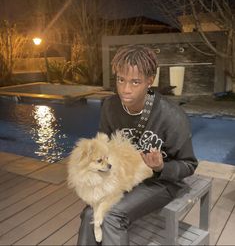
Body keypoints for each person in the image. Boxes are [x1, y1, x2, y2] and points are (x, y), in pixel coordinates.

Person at [77, 44, 198, 245]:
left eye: (135, 82)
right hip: (123, 178)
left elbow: (189, 164)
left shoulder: (172, 116)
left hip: (159, 182)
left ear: (149, 81)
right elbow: (102, 147)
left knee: (112, 216)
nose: (125, 89)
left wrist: (160, 167)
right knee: (90, 214)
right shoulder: (110, 106)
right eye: (121, 80)